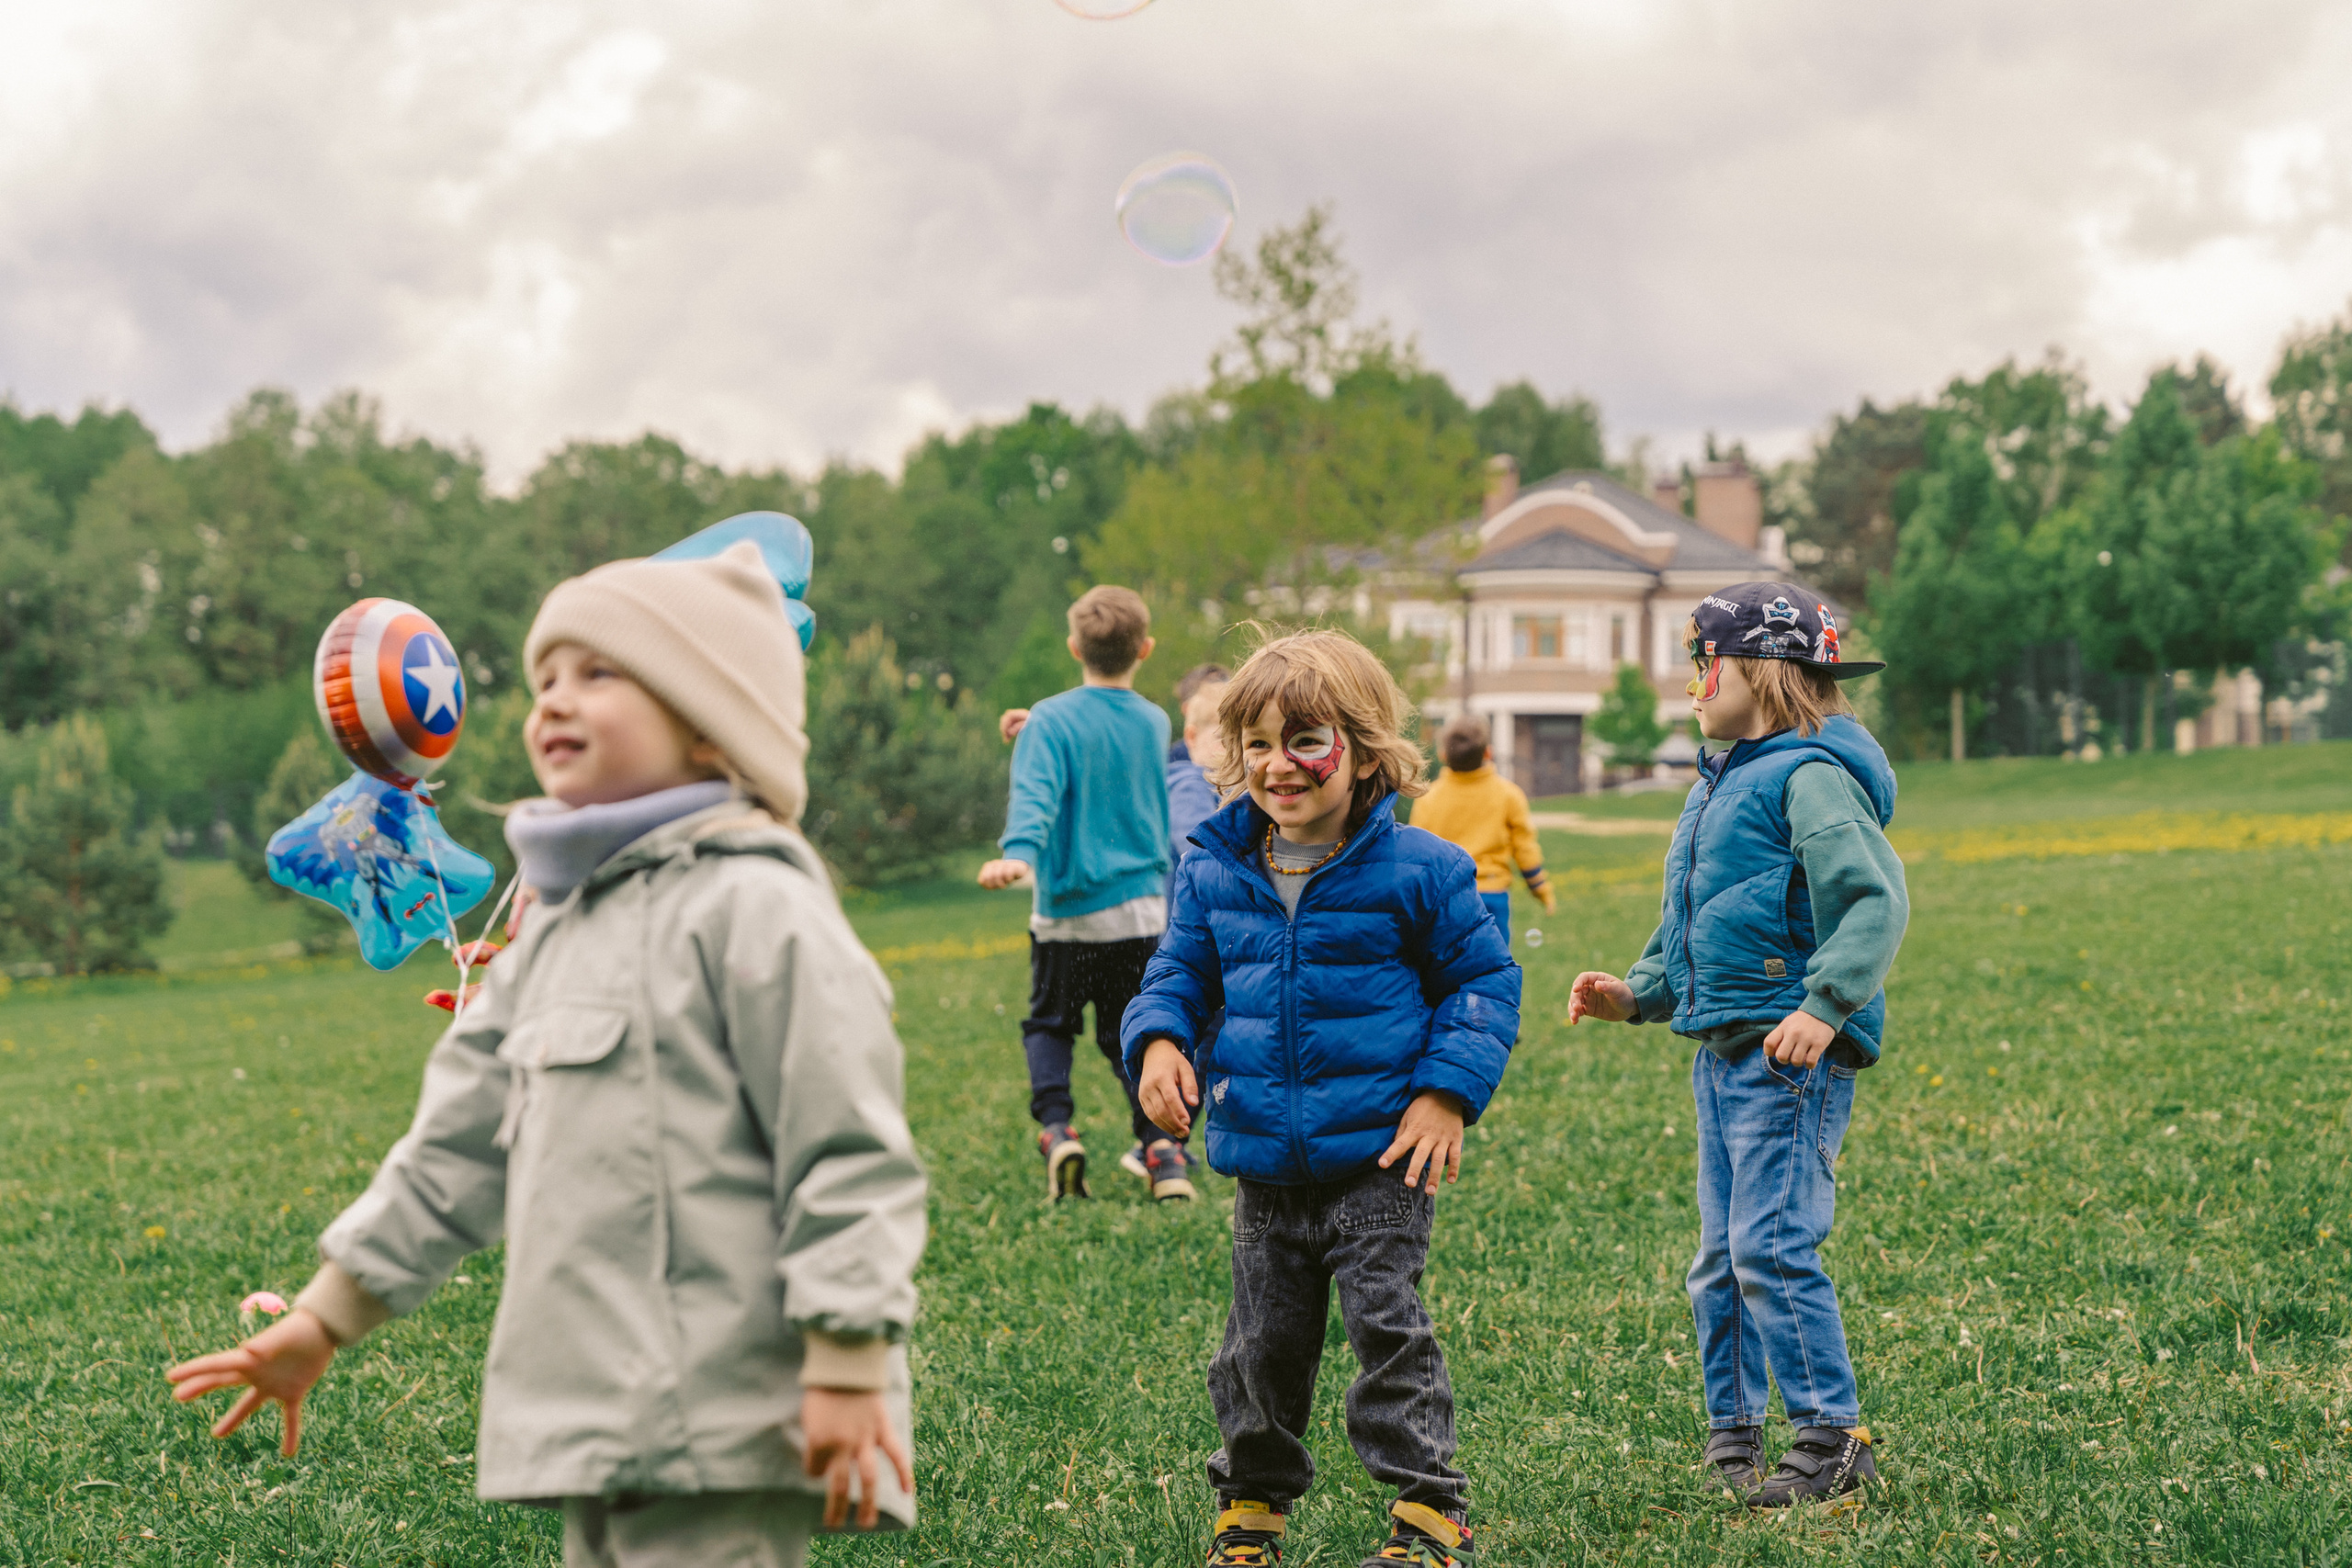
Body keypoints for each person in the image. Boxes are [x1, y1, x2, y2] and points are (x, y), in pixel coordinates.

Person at [166, 543, 928, 1568]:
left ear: (708, 722)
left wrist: (844, 1360)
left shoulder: (759, 908)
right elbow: (455, 1148)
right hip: (594, 1418)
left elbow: (848, 1153)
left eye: (598, 673)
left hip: (728, 1420)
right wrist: (324, 1317)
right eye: (544, 680)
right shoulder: (559, 929)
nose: (552, 702)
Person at [1124, 627, 1520, 1568]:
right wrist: (1160, 1039)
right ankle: (1251, 1506)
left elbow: (1483, 983)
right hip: (1263, 1157)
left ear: (1363, 746)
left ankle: (1429, 1508)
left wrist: (1445, 1095)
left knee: (1386, 1327)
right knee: (1258, 1347)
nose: (1277, 765)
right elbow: (1176, 971)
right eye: (1254, 744)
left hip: (1382, 1154)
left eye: (1304, 741)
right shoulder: (1215, 867)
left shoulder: (1420, 868)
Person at [1567, 582, 1905, 1510]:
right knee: (1718, 1259)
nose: (1689, 686)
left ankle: (1833, 1441)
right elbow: (1697, 918)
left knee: (1769, 1246)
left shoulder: (1811, 774)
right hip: (1721, 1052)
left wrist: (1825, 1004)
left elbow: (1872, 899)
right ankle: (1735, 1435)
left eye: (1698, 663)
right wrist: (1637, 992)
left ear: (1755, 670)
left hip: (1789, 1058)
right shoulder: (1724, 778)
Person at [978, 586, 1188, 1201]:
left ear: (1074, 646)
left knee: (1050, 1025)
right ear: (1145, 648)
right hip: (1142, 909)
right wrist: (1036, 725)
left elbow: (1039, 793)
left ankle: (1057, 1129)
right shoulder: (1155, 720)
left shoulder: (1053, 718)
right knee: (1136, 1030)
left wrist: (1018, 855)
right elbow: (1105, 752)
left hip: (1069, 913)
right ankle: (1161, 1148)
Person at [1409, 713, 1555, 948]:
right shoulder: (1508, 794)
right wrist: (1540, 889)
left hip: (1445, 899)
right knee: (1493, 970)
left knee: (1446, 968)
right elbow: (1524, 848)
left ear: (1443, 755)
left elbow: (1416, 855)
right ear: (1488, 753)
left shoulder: (1428, 798)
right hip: (1492, 897)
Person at [1166, 662, 1230, 861]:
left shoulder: (1226, 782)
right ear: (1191, 737)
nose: (1233, 750)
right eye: (1223, 739)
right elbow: (1203, 857)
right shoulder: (1189, 787)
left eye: (1242, 741)